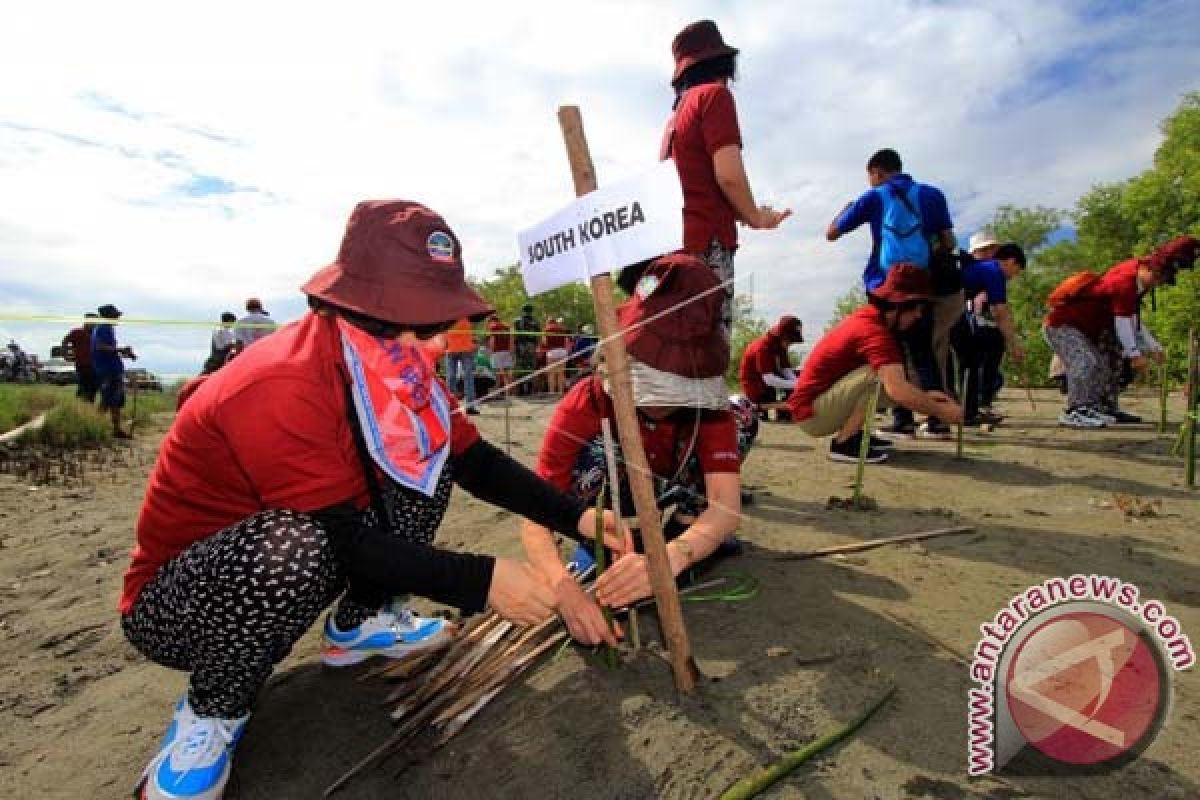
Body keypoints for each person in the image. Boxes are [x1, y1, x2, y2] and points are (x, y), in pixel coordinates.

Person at [119, 200, 626, 800]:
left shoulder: (391, 367)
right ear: (366, 310)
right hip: (187, 604)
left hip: (314, 548)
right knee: (293, 547)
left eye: (442, 323)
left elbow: (474, 462)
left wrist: (577, 514)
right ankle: (213, 707)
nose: (440, 343)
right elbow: (338, 540)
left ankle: (358, 624)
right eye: (426, 324)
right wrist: (482, 580)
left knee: (429, 463)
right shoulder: (282, 383)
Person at [521, 254, 752, 644]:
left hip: (674, 480)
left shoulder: (709, 414)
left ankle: (680, 530)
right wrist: (563, 588)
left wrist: (675, 555)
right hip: (611, 500)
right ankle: (603, 541)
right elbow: (534, 512)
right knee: (593, 455)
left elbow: (725, 506)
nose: (660, 403)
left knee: (743, 415)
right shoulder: (587, 401)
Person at [661, 19, 791, 342]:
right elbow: (728, 176)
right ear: (724, 63)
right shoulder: (715, 96)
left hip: (672, 247)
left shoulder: (673, 119)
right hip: (708, 246)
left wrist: (743, 212)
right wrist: (757, 216)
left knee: (680, 348)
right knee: (709, 347)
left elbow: (694, 185)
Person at [826, 148, 957, 440]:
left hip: (883, 287)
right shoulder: (932, 195)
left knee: (888, 355)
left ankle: (902, 419)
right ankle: (938, 421)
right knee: (923, 354)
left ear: (876, 172)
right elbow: (948, 241)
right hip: (920, 287)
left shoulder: (873, 197)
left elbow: (831, 233)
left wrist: (843, 210)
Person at [787, 264, 964, 464]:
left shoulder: (871, 320)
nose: (919, 315)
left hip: (817, 406)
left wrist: (925, 398)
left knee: (889, 377)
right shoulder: (874, 332)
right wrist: (941, 411)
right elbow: (898, 390)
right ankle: (844, 444)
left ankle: (854, 434)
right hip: (812, 415)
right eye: (917, 308)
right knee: (879, 378)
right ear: (900, 305)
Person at [1043, 235, 1198, 428]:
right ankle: (1075, 411)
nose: (1159, 283)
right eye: (1161, 277)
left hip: (1090, 328)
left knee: (1102, 364)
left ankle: (1097, 407)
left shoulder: (1137, 275)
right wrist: (1135, 355)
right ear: (1152, 270)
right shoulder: (1125, 283)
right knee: (1085, 362)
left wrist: (1153, 346)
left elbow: (1134, 320)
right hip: (1063, 325)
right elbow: (1123, 323)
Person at [951, 242, 1027, 425]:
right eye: (1016, 271)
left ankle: (969, 411)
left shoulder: (984, 269)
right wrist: (1014, 345)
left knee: (970, 358)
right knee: (968, 358)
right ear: (1010, 261)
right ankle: (960, 412)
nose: (1013, 277)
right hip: (947, 305)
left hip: (954, 307)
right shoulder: (994, 272)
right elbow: (999, 312)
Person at [738, 315, 804, 421]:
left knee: (800, 375)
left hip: (767, 384)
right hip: (755, 388)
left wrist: (799, 383)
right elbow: (769, 379)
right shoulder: (763, 347)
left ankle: (785, 412)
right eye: (791, 340)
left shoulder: (781, 346)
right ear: (783, 336)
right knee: (796, 383)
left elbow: (786, 370)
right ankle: (758, 407)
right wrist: (798, 385)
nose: (791, 344)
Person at [91, 304, 137, 439]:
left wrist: (125, 353)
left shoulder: (106, 328)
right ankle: (95, 428)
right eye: (115, 315)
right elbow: (100, 347)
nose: (118, 318)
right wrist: (121, 350)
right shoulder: (103, 328)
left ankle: (116, 429)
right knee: (107, 400)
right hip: (107, 371)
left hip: (111, 369)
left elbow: (108, 350)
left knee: (115, 401)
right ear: (109, 316)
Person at [443, 318, 479, 414]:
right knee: (451, 377)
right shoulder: (446, 317)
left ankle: (470, 406)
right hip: (451, 350)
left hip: (466, 350)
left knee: (468, 378)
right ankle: (449, 405)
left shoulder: (465, 315)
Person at [62, 312, 100, 402]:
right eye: (93, 322)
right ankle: (81, 406)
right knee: (85, 386)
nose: (95, 324)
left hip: (96, 365)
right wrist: (66, 355)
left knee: (93, 387)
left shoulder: (97, 334)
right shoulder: (77, 332)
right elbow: (65, 341)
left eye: (96, 322)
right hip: (82, 364)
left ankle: (85, 407)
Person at [513, 304, 540, 396]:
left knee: (520, 367)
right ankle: (528, 389)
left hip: (520, 346)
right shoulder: (535, 321)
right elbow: (538, 335)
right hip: (531, 346)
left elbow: (515, 335)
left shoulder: (516, 321)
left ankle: (520, 390)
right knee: (530, 367)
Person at [485, 313, 514, 394]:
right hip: (506, 351)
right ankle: (508, 390)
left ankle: (500, 389)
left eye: (488, 322)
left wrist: (490, 351)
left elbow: (492, 339)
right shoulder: (507, 327)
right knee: (507, 372)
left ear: (492, 321)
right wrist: (511, 350)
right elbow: (511, 339)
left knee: (500, 372)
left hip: (497, 352)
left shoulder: (493, 327)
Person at [543, 316, 570, 395]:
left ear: (548, 322)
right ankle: (560, 391)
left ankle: (552, 392)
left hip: (552, 351)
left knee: (551, 373)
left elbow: (544, 342)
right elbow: (566, 340)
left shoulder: (546, 329)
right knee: (561, 373)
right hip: (562, 351)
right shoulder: (562, 329)